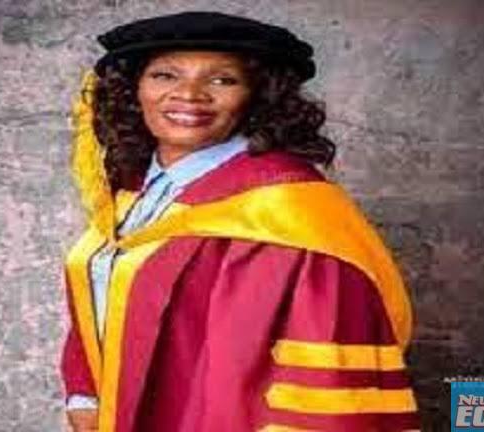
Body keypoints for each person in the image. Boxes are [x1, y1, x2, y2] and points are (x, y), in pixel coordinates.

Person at [61, 11, 420, 432]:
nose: (189, 94)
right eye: (164, 75)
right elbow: (104, 297)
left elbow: (324, 376)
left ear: (256, 96)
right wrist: (85, 394)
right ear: (134, 89)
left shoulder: (288, 211)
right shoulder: (132, 192)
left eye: (222, 80)